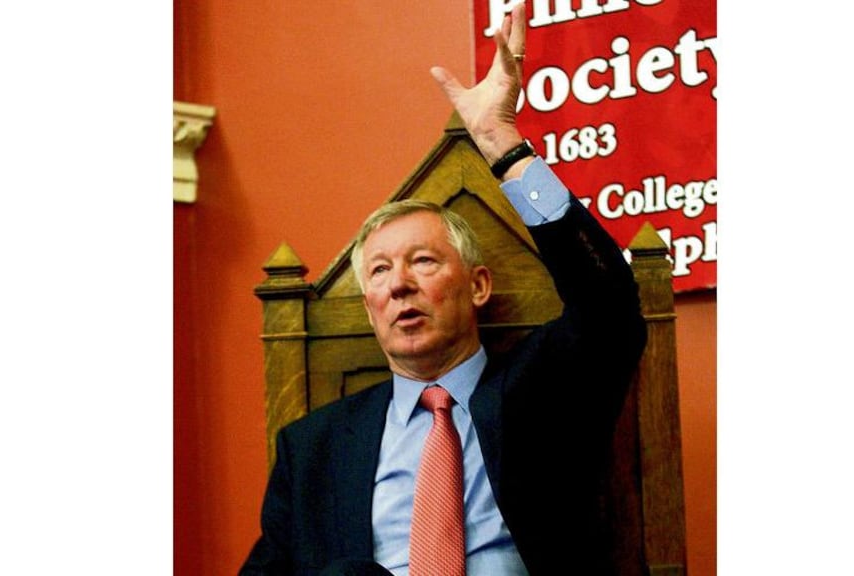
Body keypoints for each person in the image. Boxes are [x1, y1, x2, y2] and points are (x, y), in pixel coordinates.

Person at [240, 3, 646, 574]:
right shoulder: (312, 448)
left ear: (478, 286)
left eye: (423, 261)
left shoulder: (545, 388)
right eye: (379, 272)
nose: (399, 284)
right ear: (369, 308)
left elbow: (608, 304)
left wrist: (501, 142)